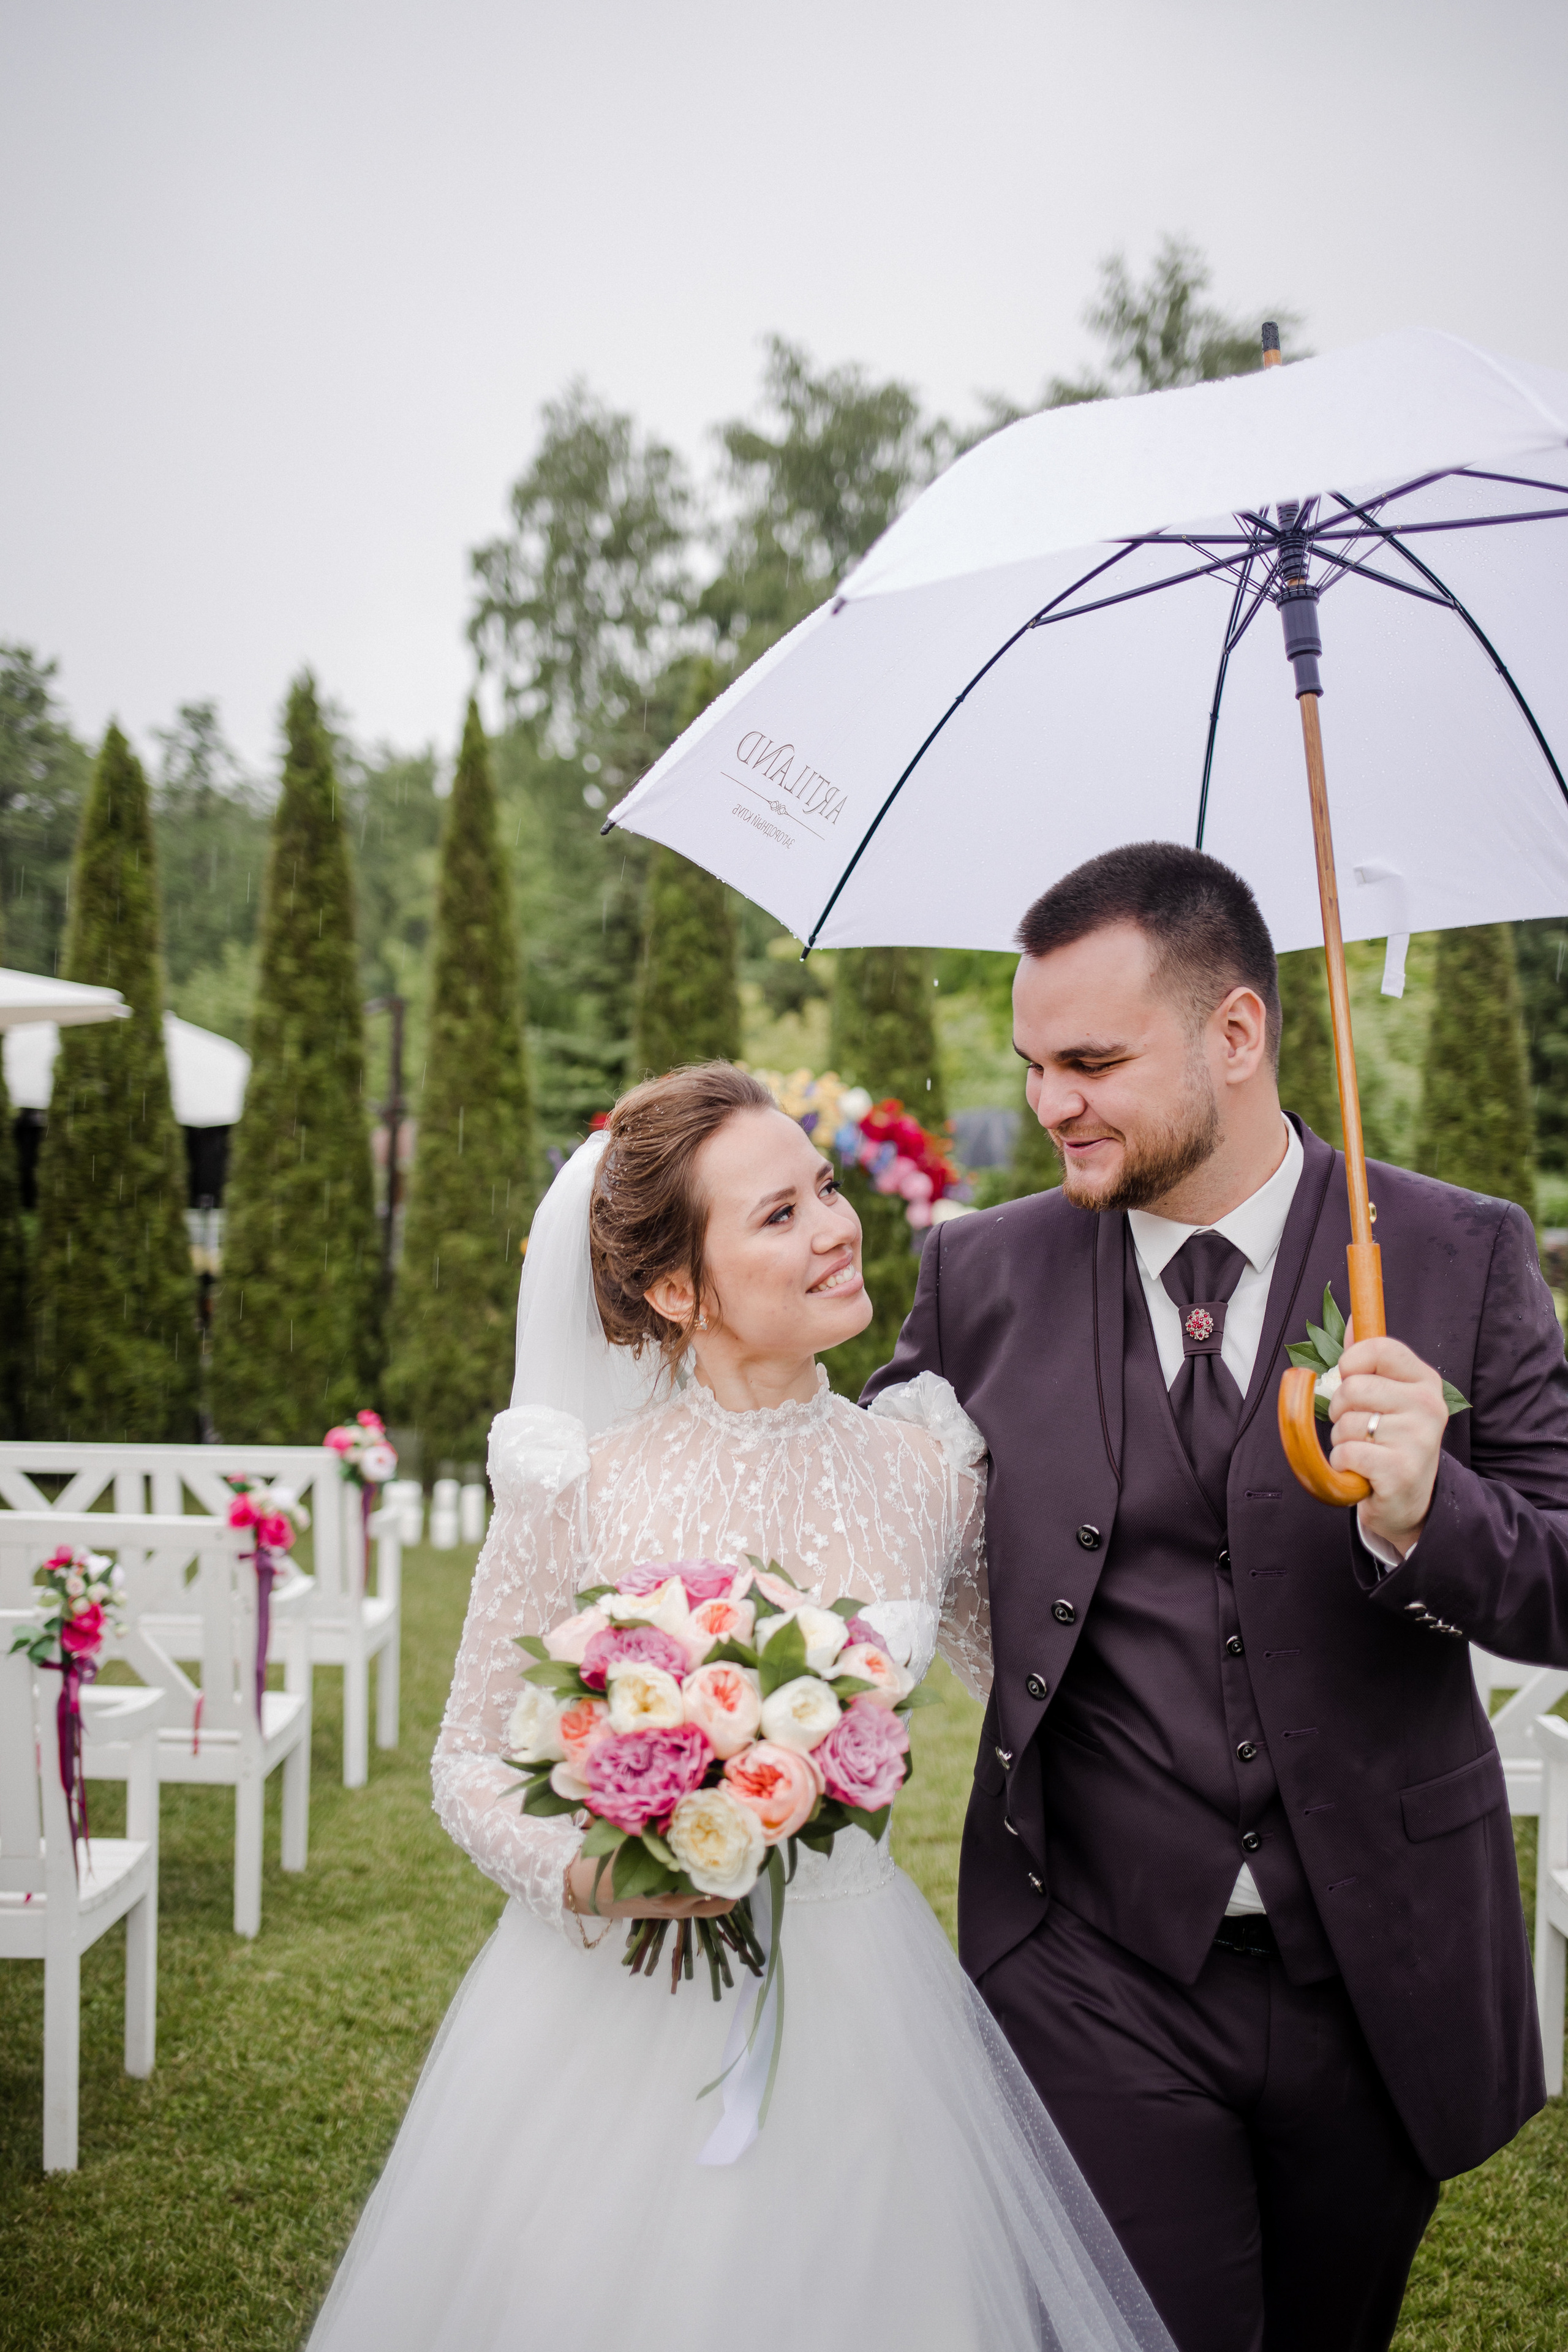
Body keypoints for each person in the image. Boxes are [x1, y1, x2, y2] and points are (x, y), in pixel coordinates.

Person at [306, 1063, 1173, 2352]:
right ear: (673, 1288)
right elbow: (466, 1763)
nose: (834, 1228)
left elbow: (1031, 1696)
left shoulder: (927, 1471)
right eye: (776, 1216)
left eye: (824, 1188)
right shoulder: (582, 1488)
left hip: (861, 2001)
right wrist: (596, 1879)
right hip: (599, 2006)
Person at [866, 841, 1568, 2352]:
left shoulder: (1455, 1254)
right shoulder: (976, 1275)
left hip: (1379, 1966)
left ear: (1235, 1034)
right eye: (1033, 1063)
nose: (1050, 1102)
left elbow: (1560, 1582)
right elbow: (855, 1533)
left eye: (1093, 1061)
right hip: (1092, 1961)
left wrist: (1422, 1511)